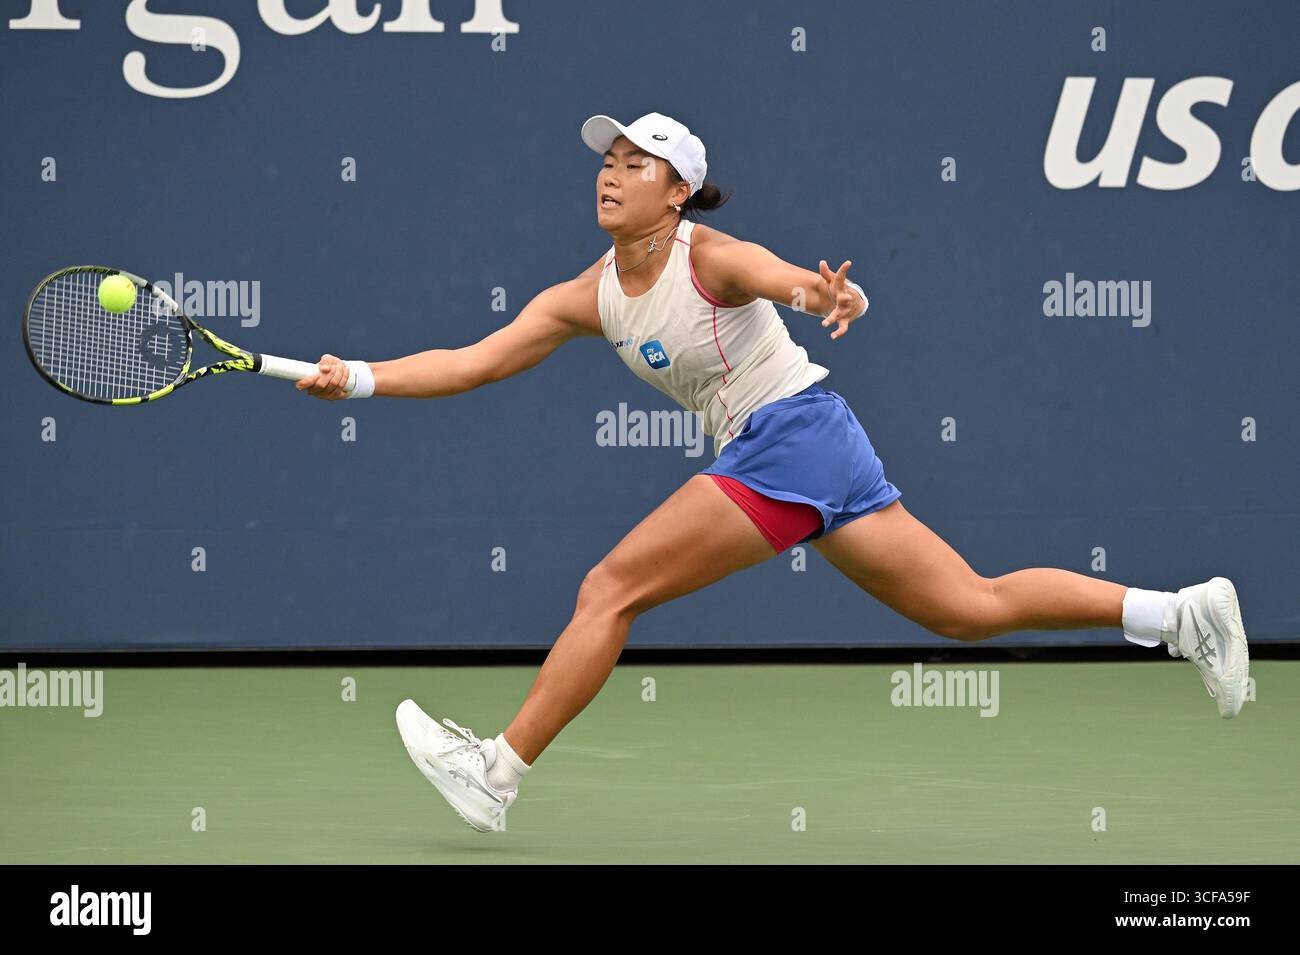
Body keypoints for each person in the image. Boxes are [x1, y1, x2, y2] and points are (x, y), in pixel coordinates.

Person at [297, 112, 1250, 833]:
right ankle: (1179, 613)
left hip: (789, 437)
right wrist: (365, 378)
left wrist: (828, 292)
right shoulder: (583, 297)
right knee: (971, 605)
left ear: (677, 193)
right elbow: (476, 360)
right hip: (817, 445)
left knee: (609, 588)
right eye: (607, 160)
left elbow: (785, 276)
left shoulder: (707, 256)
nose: (612, 174)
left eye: (638, 164)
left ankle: (496, 772)